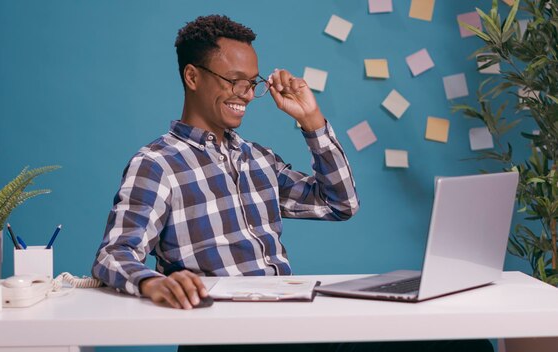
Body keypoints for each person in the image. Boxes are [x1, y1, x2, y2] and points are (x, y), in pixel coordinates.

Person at [92, 14, 492, 352]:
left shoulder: (257, 158)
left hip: (289, 323)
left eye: (251, 82)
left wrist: (311, 120)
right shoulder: (158, 164)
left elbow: (340, 204)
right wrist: (152, 283)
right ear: (192, 77)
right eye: (234, 80)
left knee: (461, 340)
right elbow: (114, 254)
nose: (246, 95)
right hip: (222, 334)